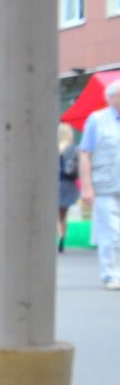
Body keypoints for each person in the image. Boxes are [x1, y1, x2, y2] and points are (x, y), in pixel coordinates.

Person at [78, 80, 120, 289]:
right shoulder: (97, 120)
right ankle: (110, 274)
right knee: (111, 232)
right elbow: (85, 153)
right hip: (104, 185)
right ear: (112, 98)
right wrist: (87, 187)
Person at [59, 122, 83, 253]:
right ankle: (63, 237)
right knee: (64, 214)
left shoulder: (54, 148)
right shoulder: (74, 148)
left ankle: (59, 236)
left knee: (56, 214)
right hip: (69, 184)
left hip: (57, 182)